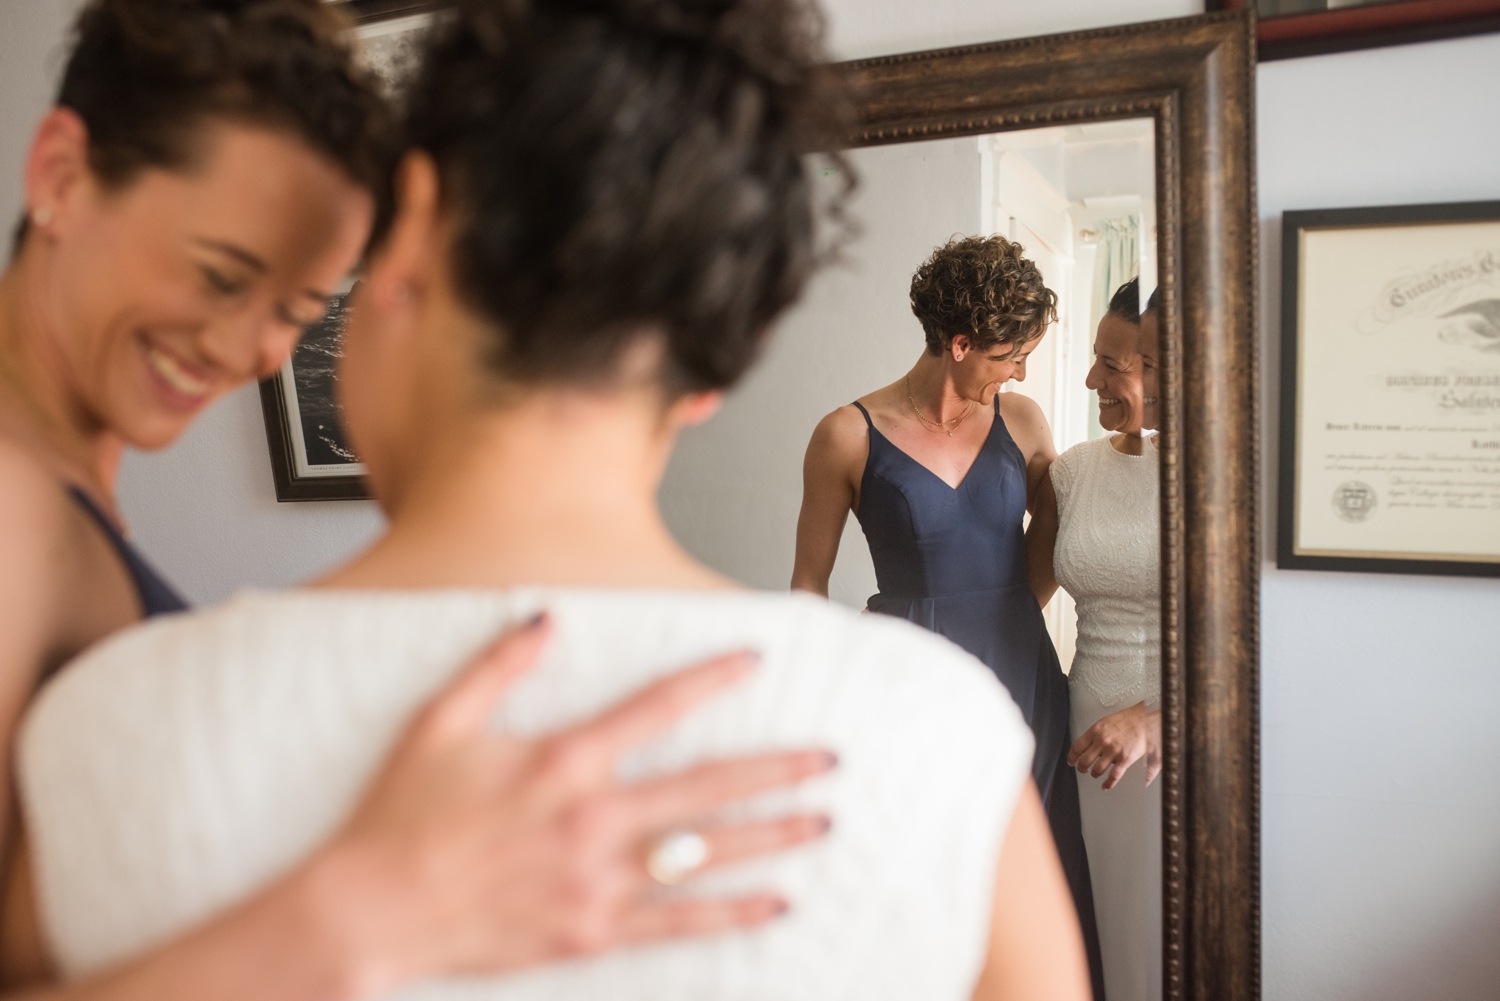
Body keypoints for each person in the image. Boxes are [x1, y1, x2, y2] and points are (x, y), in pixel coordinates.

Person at [13, 1, 1093, 999]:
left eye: (303, 302)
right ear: (725, 355)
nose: (263, 350)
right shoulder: (942, 743)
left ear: (411, 232)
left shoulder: (115, 725)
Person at [792, 234, 1105, 999]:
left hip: (1023, 678)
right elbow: (807, 585)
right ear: (959, 343)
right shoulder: (845, 434)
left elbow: (1062, 538)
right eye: (1009, 355)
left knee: (1036, 879)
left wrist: (1006, 620)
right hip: (904, 690)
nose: (1021, 371)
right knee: (920, 877)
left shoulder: (1024, 421)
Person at [1026, 277, 1163, 1001]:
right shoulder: (1074, 472)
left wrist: (1154, 720)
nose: (1090, 379)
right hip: (1084, 743)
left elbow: (1270, 642)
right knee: (1102, 930)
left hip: (1179, 746)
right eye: (1095, 359)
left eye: (1116, 364)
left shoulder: (1226, 478)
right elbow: (1015, 601)